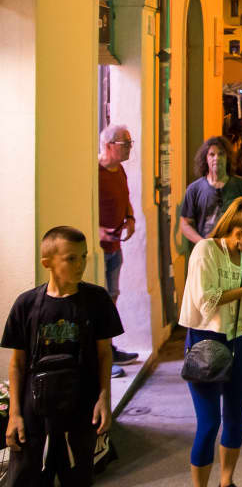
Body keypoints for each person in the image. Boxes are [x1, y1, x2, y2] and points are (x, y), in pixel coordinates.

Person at [3, 227, 124, 487]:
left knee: (77, 477)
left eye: (84, 256)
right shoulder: (26, 304)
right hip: (35, 408)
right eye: (71, 258)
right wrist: (14, 414)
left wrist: (104, 398)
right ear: (47, 263)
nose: (80, 264)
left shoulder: (97, 300)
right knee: (29, 478)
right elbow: (17, 364)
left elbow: (104, 354)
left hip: (81, 406)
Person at [178, 199, 242, 487]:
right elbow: (205, 301)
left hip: (240, 340)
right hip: (206, 342)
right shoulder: (205, 250)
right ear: (238, 233)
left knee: (234, 418)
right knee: (209, 424)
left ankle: (226, 481)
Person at [97, 124, 140, 374]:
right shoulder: (94, 171)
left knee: (112, 297)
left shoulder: (119, 170)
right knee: (100, 301)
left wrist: (130, 218)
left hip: (114, 247)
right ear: (109, 145)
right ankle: (102, 357)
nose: (129, 148)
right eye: (125, 144)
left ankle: (109, 348)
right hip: (99, 249)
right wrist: (98, 230)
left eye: (130, 143)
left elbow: (126, 197)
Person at [180, 137, 242, 245]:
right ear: (205, 158)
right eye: (212, 154)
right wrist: (202, 243)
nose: (216, 158)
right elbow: (185, 223)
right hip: (206, 250)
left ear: (228, 157)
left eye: (221, 154)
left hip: (234, 248)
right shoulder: (194, 189)